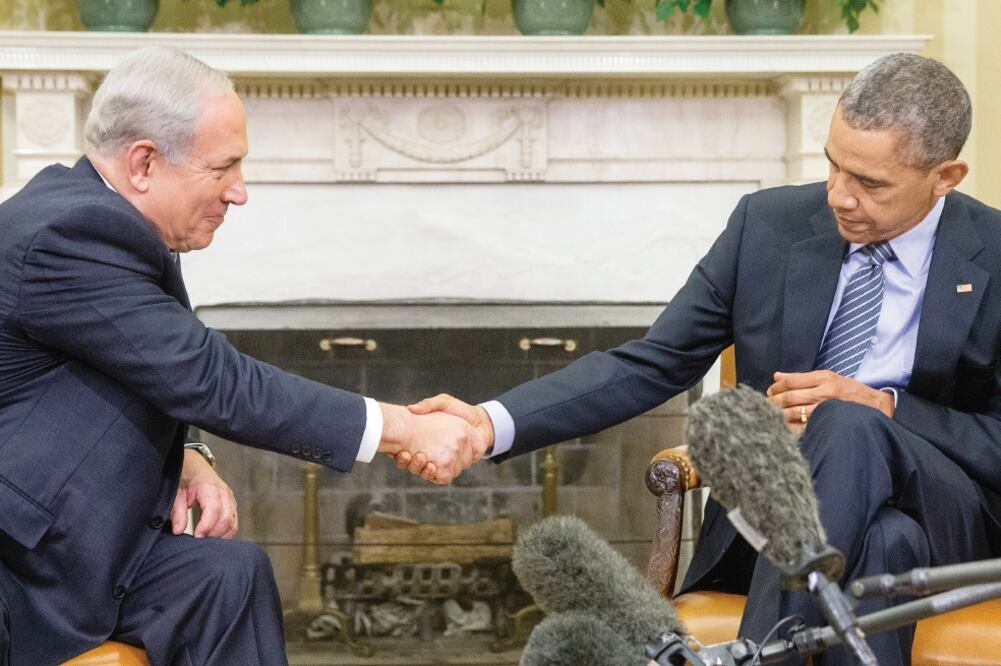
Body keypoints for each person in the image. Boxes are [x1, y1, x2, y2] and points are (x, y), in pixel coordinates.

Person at [407, 53, 1001, 665]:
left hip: (946, 523)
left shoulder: (996, 255)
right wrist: (488, 422)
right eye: (833, 165)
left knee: (850, 424)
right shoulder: (767, 225)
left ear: (945, 176)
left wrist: (886, 408)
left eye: (870, 183)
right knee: (881, 542)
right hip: (772, 526)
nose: (838, 196)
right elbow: (653, 361)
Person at [0, 46, 485, 665]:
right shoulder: (70, 236)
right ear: (144, 162)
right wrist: (401, 427)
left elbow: (152, 361)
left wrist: (192, 454)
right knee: (220, 577)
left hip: (83, 545)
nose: (240, 192)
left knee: (230, 575)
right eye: (223, 167)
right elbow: (210, 377)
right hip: (26, 575)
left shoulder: (105, 220)